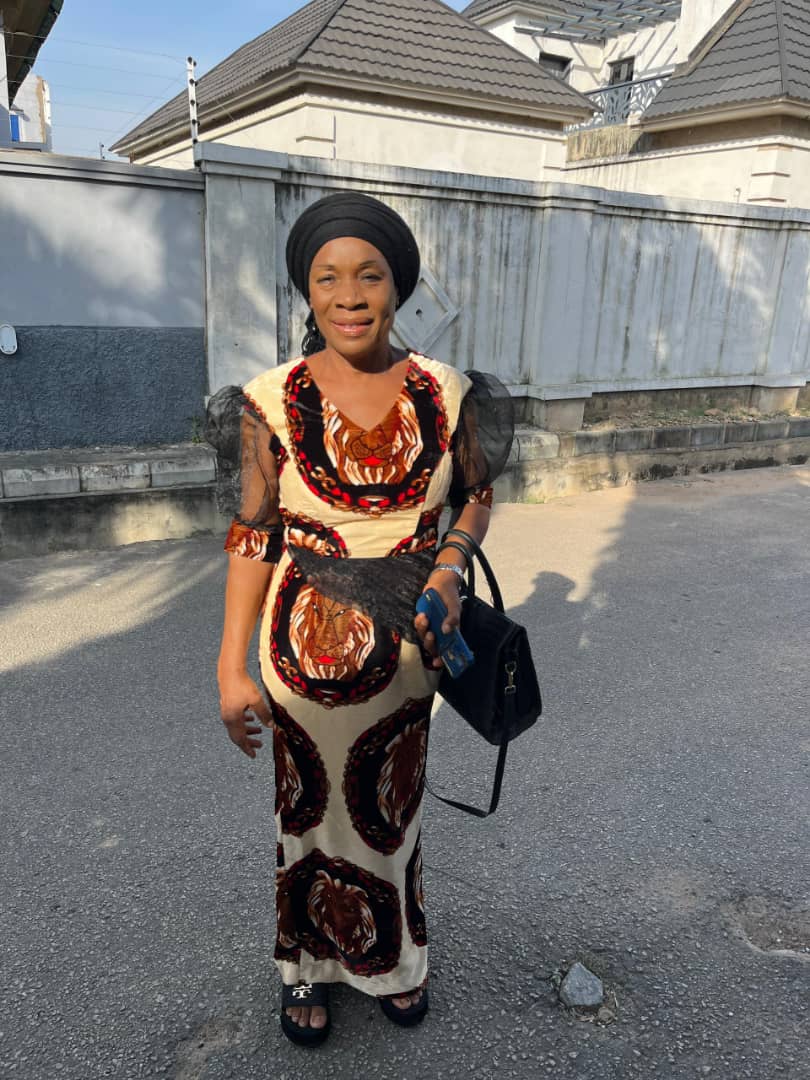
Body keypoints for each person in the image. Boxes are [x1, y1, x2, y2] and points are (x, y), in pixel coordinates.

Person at [206, 191, 513, 1046]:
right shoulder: (271, 400)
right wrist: (231, 668)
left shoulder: (446, 392)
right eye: (327, 278)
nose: (349, 295)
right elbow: (254, 536)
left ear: (398, 286)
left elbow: (476, 494)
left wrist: (451, 565)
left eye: (369, 275)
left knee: (392, 810)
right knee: (306, 814)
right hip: (299, 658)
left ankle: (397, 961)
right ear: (306, 292)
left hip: (410, 653)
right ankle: (305, 965)